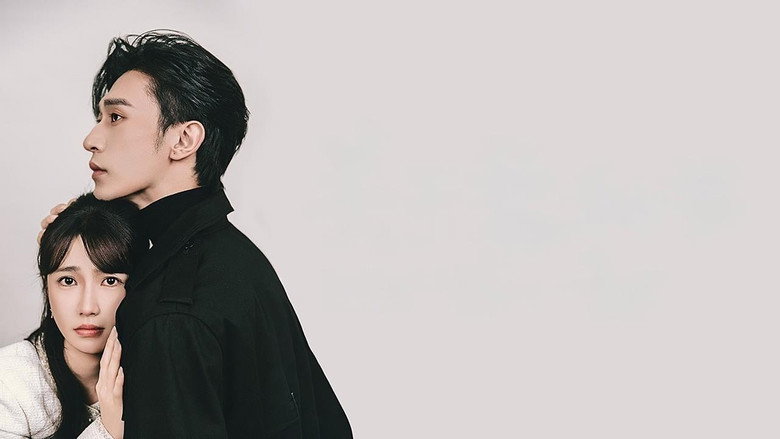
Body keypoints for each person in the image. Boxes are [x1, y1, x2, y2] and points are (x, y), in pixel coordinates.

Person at [81, 31, 351, 437]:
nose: (91, 139)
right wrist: (80, 233)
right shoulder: (233, 255)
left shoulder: (171, 313)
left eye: (116, 117)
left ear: (184, 139)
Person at [0, 194, 146, 438]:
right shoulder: (10, 381)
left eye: (110, 281)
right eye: (68, 281)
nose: (87, 307)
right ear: (47, 288)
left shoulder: (161, 371)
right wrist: (107, 429)